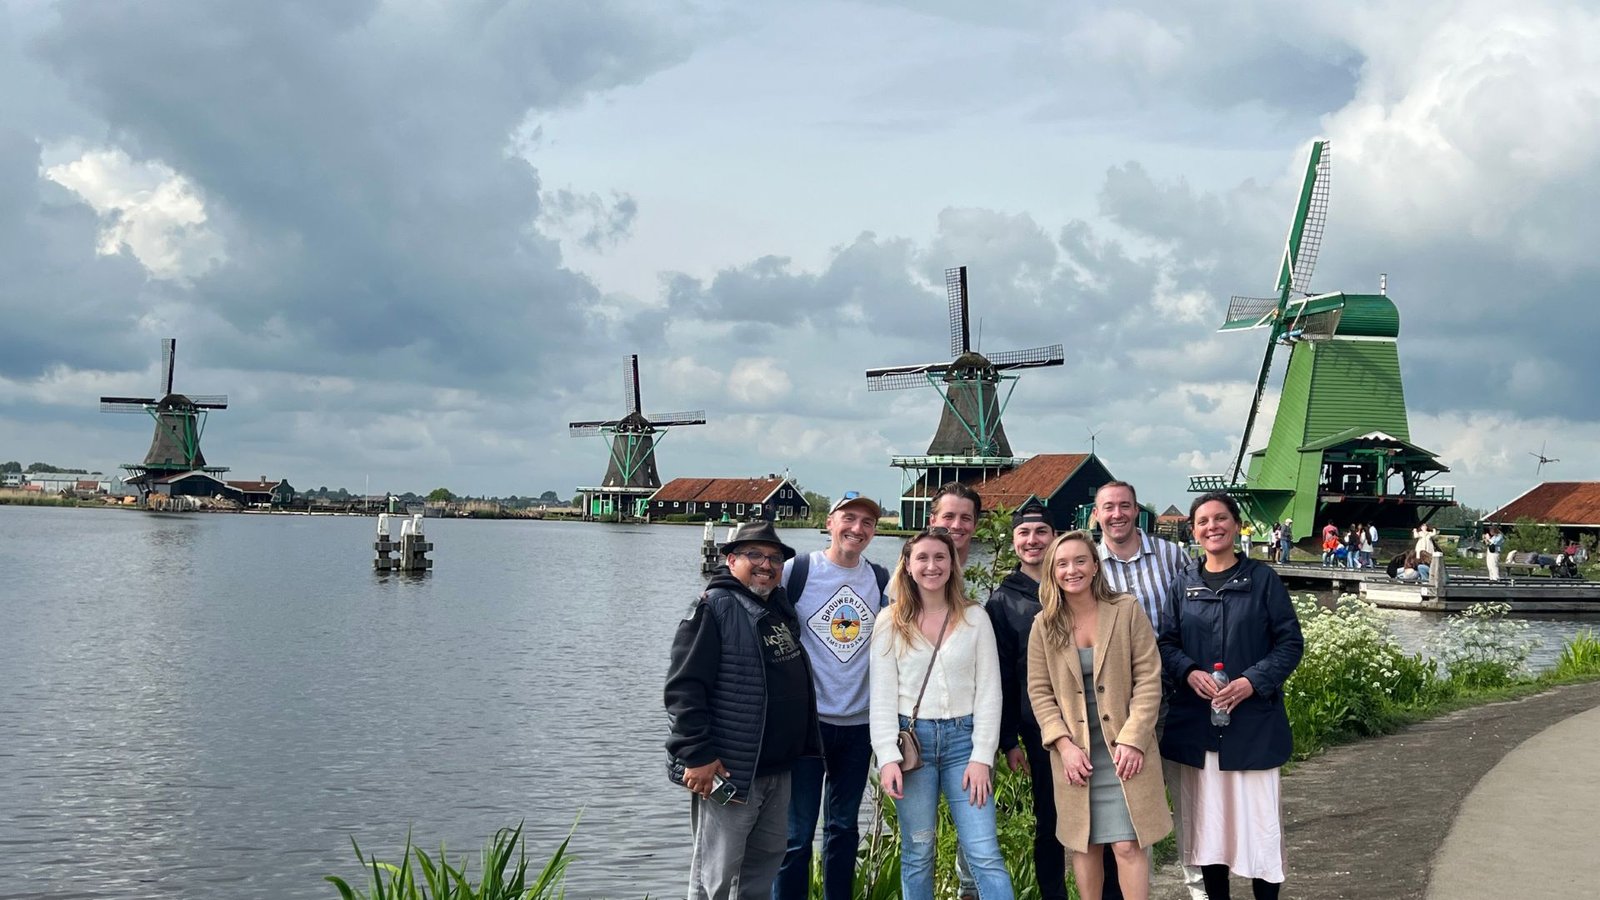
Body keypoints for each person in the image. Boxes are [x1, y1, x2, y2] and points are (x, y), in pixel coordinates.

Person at [1159, 493, 1303, 900]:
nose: (1212, 527)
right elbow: (1166, 643)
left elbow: (1290, 643)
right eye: (1203, 521)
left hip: (1253, 727)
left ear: (1238, 525)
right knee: (1211, 833)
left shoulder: (1263, 581)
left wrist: (1253, 681)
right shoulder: (1183, 583)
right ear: (1193, 530)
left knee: (1260, 833)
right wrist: (1189, 672)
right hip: (1200, 729)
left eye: (1221, 518)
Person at [666, 521, 820, 900]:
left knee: (762, 871)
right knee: (714, 877)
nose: (766, 564)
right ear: (730, 559)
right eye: (755, 555)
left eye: (774, 558)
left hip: (776, 770)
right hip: (730, 771)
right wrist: (697, 755)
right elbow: (684, 688)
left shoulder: (776, 607)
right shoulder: (713, 608)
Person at [869, 529, 1014, 900]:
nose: (931, 566)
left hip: (964, 744)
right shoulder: (890, 621)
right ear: (908, 565)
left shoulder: (975, 618)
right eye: (922, 558)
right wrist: (887, 757)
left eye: (940, 558)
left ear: (952, 564)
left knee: (984, 852)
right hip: (912, 746)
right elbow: (882, 697)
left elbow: (990, 693)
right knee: (918, 852)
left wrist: (983, 756)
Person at [1028, 530, 1170, 900]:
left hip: (1125, 751)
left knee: (1128, 845)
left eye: (1080, 561)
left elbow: (1149, 678)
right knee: (1084, 846)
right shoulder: (1044, 624)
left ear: (1095, 566)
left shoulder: (1126, 610)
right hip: (1077, 755)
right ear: (1052, 572)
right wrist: (1063, 745)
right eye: (1062, 563)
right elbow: (1040, 693)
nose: (1071, 570)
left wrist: (1134, 739)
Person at [773, 493, 890, 900]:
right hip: (810, 725)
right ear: (829, 521)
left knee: (843, 829)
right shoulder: (797, 571)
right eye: (849, 518)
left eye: (867, 523)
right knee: (796, 834)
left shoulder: (880, 580)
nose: (857, 529)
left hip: (858, 726)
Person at [1095, 480, 1205, 900]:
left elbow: (1194, 607)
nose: (1117, 514)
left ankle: (1198, 885)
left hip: (1176, 682)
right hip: (1123, 695)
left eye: (1124, 505)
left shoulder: (1172, 554)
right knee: (1135, 795)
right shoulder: (1091, 562)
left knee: (1187, 789)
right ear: (1097, 515)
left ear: (1136, 509)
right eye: (1109, 507)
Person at [986, 499, 1070, 900]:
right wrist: (1007, 739)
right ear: (1014, 540)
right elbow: (1000, 675)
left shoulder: (1076, 585)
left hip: (1090, 722)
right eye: (1024, 533)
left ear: (1054, 537)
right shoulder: (1002, 601)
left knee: (1105, 821)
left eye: (1041, 532)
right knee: (1049, 821)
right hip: (1040, 730)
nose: (1033, 540)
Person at [930, 481, 982, 568]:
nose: (956, 526)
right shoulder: (919, 575)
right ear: (933, 521)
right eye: (948, 517)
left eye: (965, 518)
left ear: (975, 524)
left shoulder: (984, 575)